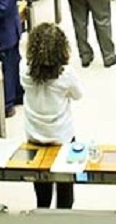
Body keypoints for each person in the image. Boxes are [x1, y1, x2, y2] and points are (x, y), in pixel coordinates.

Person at [21, 23, 82, 210]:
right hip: (61, 136)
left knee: (42, 192)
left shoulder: (24, 68)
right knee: (65, 193)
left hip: (34, 136)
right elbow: (78, 95)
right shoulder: (66, 74)